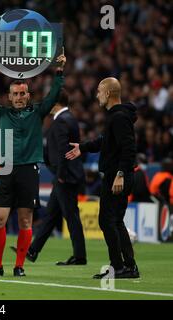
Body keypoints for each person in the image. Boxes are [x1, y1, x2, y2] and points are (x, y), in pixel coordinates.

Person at [0, 50, 66, 277]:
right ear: (9, 96)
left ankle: (19, 266)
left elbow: (54, 95)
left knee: (25, 219)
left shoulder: (38, 112)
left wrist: (59, 71)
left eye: (22, 93)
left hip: (29, 169)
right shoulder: (2, 113)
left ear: (28, 95)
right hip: (6, 169)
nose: (18, 97)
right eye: (15, 93)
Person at [66, 77, 140, 279]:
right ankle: (128, 266)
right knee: (114, 222)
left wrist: (120, 174)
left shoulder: (119, 117)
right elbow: (105, 142)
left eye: (99, 91)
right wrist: (82, 147)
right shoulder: (118, 116)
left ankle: (120, 267)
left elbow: (129, 149)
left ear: (108, 93)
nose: (97, 94)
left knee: (108, 221)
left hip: (117, 176)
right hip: (116, 175)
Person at [24, 89, 87, 265]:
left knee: (71, 216)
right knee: (51, 215)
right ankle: (33, 250)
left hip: (65, 177)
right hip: (66, 175)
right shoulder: (68, 118)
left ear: (55, 102)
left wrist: (60, 175)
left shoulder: (61, 121)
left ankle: (80, 256)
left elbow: (62, 151)